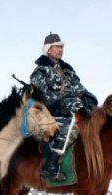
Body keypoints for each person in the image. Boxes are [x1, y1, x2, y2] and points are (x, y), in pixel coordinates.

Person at [29, 33, 98, 182]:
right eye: (57, 47)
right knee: (71, 126)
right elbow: (41, 94)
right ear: (48, 50)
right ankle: (50, 165)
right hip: (50, 112)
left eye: (61, 47)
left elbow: (80, 88)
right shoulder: (41, 71)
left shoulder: (68, 71)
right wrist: (57, 105)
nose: (60, 50)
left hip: (71, 107)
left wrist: (88, 96)